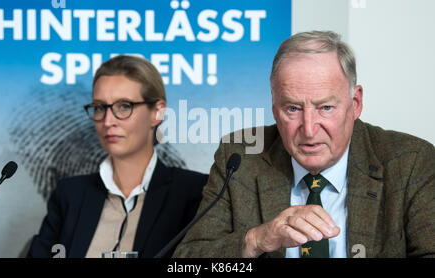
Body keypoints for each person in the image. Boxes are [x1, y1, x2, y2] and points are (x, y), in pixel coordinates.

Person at [173, 31, 435, 258]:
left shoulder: (409, 162)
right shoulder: (240, 155)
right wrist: (256, 240)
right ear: (275, 110)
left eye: (326, 108)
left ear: (355, 104)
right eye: (293, 109)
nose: (309, 130)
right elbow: (188, 261)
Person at [27, 55, 208, 258]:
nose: (108, 121)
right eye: (99, 107)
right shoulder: (70, 194)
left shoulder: (197, 193)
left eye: (124, 106)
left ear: (157, 112)